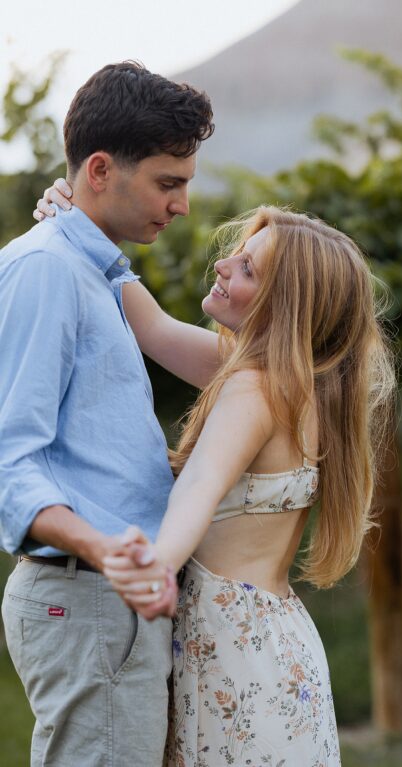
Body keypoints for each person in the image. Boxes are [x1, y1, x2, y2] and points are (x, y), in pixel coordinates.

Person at [36, 184, 395, 764]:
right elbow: (150, 326)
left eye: (247, 267)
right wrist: (82, 226)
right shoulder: (302, 389)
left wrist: (156, 565)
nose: (224, 264)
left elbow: (199, 488)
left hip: (230, 649)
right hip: (278, 646)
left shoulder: (253, 390)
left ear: (284, 304)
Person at [0, 61, 213, 766]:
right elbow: (10, 459)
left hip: (111, 596)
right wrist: (103, 550)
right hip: (90, 593)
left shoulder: (97, 274)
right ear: (99, 168)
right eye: (168, 182)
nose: (182, 203)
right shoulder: (47, 270)